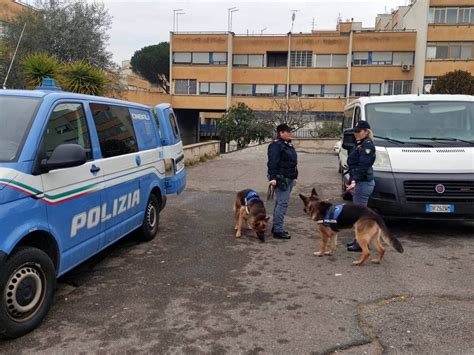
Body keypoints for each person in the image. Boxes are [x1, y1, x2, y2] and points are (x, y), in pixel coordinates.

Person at [346, 120, 376, 252]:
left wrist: (354, 181)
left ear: (366, 132)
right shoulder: (360, 144)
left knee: (361, 216)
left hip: (363, 183)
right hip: (360, 181)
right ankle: (358, 239)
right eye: (355, 131)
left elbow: (363, 166)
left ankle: (361, 243)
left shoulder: (367, 146)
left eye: (358, 131)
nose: (356, 134)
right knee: (358, 214)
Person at [267, 123, 298, 240]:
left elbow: (293, 163)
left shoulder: (288, 145)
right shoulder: (276, 145)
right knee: (282, 203)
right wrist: (272, 178)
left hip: (289, 177)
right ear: (281, 133)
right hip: (281, 178)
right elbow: (272, 162)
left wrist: (295, 177)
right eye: (288, 132)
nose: (291, 133)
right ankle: (278, 230)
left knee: (279, 202)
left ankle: (276, 227)